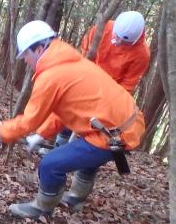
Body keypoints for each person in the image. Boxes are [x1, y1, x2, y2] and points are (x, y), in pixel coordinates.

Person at [0, 20, 144, 219]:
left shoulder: (52, 75)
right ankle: (76, 197)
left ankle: (42, 208)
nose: (25, 61)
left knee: (50, 164)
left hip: (114, 135)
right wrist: (41, 135)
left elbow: (29, 120)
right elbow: (64, 110)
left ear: (40, 48)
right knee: (87, 157)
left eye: (26, 55)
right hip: (126, 126)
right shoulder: (68, 62)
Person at [43, 10, 151, 148]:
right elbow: (86, 51)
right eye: (116, 37)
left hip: (108, 94)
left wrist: (107, 101)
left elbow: (128, 84)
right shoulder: (103, 28)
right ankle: (59, 146)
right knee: (69, 110)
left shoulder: (142, 54)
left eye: (123, 42)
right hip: (86, 78)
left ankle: (82, 163)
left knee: (94, 128)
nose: (118, 42)